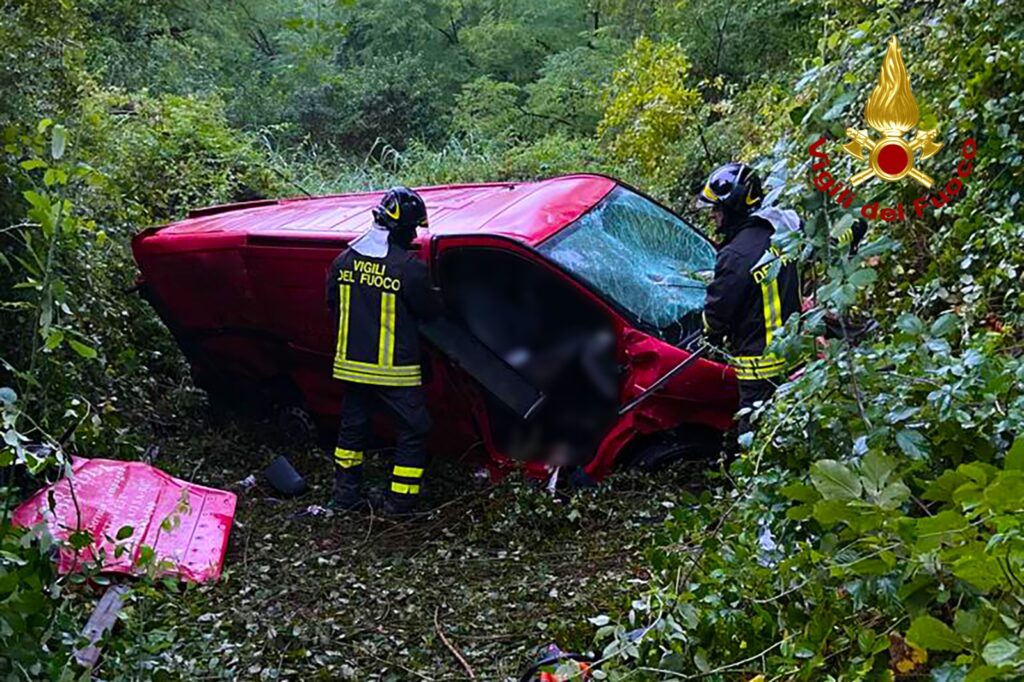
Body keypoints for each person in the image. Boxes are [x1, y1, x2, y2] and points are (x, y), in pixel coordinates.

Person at [325, 186, 442, 515]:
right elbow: (432, 313)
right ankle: (400, 502)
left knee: (352, 430)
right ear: (401, 227)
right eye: (413, 228)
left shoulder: (343, 261)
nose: (416, 235)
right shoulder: (410, 269)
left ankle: (345, 497)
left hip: (350, 368)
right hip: (395, 371)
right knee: (415, 430)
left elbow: (332, 304)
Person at [696, 162, 802, 435]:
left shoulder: (736, 256)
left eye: (717, 209)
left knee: (754, 435)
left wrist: (707, 333)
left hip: (759, 368)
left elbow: (716, 315)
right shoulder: (780, 233)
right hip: (796, 353)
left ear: (733, 207)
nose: (713, 216)